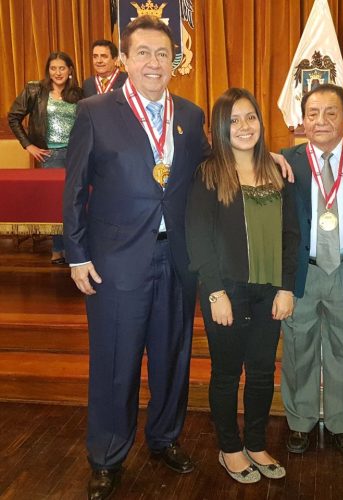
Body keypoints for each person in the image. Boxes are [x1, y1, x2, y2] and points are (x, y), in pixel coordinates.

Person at [64, 16, 211, 500]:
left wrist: (269, 160)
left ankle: (165, 437)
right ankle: (106, 455)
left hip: (177, 260)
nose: (153, 62)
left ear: (175, 62)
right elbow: (75, 189)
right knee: (114, 362)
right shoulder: (94, 110)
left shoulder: (190, 115)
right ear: (125, 59)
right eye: (143, 53)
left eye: (163, 54)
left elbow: (214, 171)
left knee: (172, 356)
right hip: (114, 262)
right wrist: (76, 253)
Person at [185, 88, 300, 484]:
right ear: (220, 127)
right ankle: (230, 448)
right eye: (234, 120)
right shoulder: (209, 173)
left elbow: (291, 235)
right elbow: (198, 236)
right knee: (227, 373)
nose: (244, 126)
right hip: (226, 290)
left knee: (263, 370)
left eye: (250, 117)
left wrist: (288, 287)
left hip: (270, 290)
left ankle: (255, 442)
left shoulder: (275, 171)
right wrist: (215, 292)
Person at [280, 84, 343, 456]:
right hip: (304, 270)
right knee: (298, 346)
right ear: (302, 120)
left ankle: (342, 422)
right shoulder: (285, 160)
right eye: (313, 113)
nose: (321, 121)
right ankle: (299, 421)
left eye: (331, 113)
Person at [8, 51, 83, 264]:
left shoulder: (78, 94)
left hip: (76, 155)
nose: (57, 72)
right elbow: (13, 117)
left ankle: (75, 250)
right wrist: (28, 145)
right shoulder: (35, 90)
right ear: (48, 70)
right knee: (57, 204)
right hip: (51, 155)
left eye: (62, 68)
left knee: (75, 202)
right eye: (53, 68)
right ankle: (58, 250)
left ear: (70, 70)